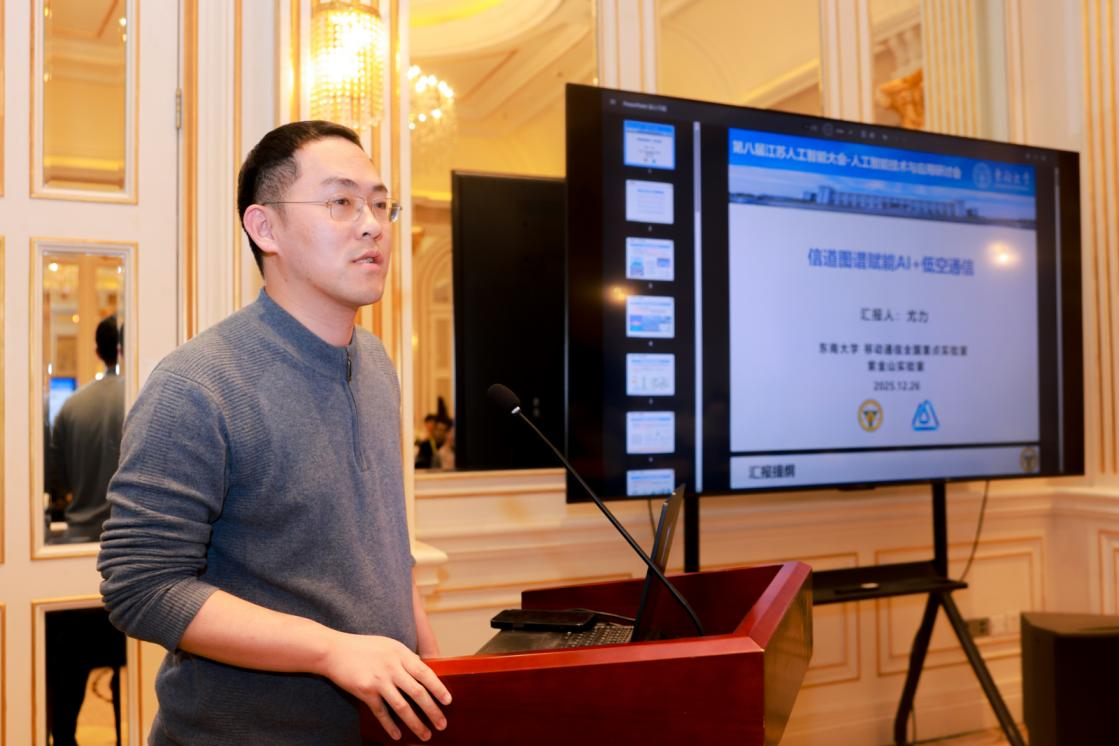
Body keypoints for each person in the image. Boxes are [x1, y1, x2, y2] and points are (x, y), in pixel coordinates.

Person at [97, 120, 450, 745]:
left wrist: (435, 669)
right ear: (264, 228)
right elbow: (140, 586)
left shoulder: (375, 363)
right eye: (341, 202)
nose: (372, 224)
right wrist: (328, 649)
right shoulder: (196, 384)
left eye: (380, 204)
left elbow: (386, 546)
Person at [47, 315, 124, 542]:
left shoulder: (70, 406)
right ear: (122, 349)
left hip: (78, 537)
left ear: (97, 352)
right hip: (125, 538)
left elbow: (57, 479)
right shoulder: (140, 401)